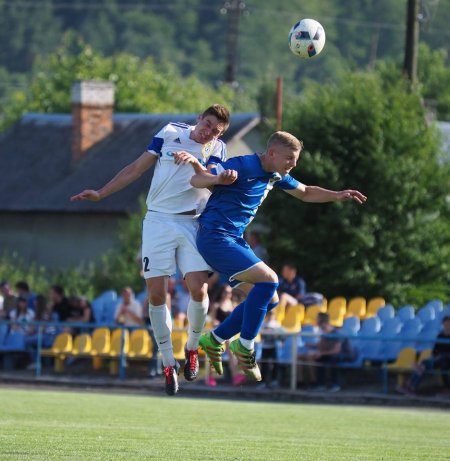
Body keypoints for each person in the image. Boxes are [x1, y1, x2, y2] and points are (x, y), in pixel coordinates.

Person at [70, 104, 234, 395]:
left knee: (199, 289)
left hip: (192, 222)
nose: (208, 132)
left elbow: (211, 182)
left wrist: (207, 171)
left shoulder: (217, 149)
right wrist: (101, 192)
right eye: (207, 124)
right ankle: (168, 362)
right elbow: (136, 168)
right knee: (157, 295)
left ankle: (192, 348)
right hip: (158, 221)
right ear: (199, 118)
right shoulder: (170, 132)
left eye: (216, 131)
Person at [192, 130, 366, 381]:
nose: (293, 164)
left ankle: (215, 338)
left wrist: (337, 195)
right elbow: (200, 179)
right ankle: (245, 345)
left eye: (295, 159)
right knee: (270, 280)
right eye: (289, 158)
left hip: (233, 240)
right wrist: (218, 177)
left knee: (270, 299)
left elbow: (305, 192)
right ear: (272, 153)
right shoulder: (243, 164)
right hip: (214, 237)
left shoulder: (275, 173)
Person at [399, 315, 450, 395]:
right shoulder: (440, 336)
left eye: (448, 324)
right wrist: (436, 357)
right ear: (443, 324)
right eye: (445, 324)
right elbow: (435, 351)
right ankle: (412, 387)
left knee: (442, 357)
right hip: (439, 360)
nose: (447, 326)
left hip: (446, 359)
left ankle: (409, 384)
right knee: (425, 364)